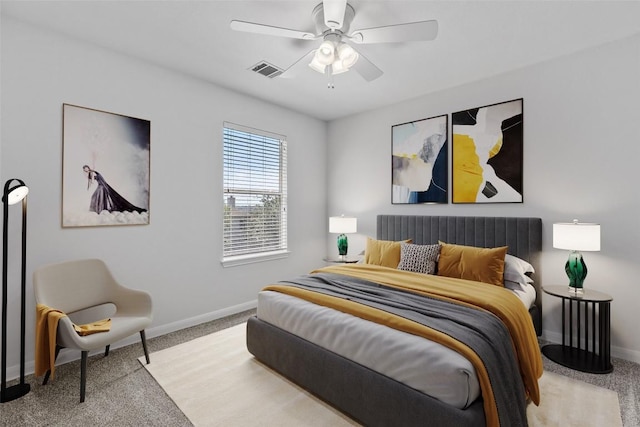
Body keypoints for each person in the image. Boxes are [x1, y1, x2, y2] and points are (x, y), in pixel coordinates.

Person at [83, 165, 147, 214]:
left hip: (102, 186)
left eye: (86, 169)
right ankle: (97, 210)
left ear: (88, 168)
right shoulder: (90, 173)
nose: (86, 170)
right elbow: (91, 182)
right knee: (96, 197)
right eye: (85, 170)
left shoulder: (93, 173)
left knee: (96, 197)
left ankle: (97, 210)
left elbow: (95, 179)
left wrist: (90, 176)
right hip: (101, 186)